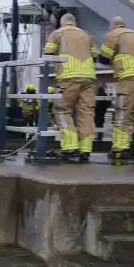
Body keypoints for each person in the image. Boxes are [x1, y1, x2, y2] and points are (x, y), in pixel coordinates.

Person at [99, 16, 134, 161]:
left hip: (129, 76)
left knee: (123, 112)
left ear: (113, 26)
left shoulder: (113, 35)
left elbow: (104, 58)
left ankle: (120, 149)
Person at [44, 13, 97, 163]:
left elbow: (48, 53)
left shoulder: (58, 33)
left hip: (68, 76)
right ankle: (85, 149)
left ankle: (70, 147)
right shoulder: (87, 35)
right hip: (88, 77)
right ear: (75, 22)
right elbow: (95, 56)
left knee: (62, 110)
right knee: (86, 113)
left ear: (62, 23)